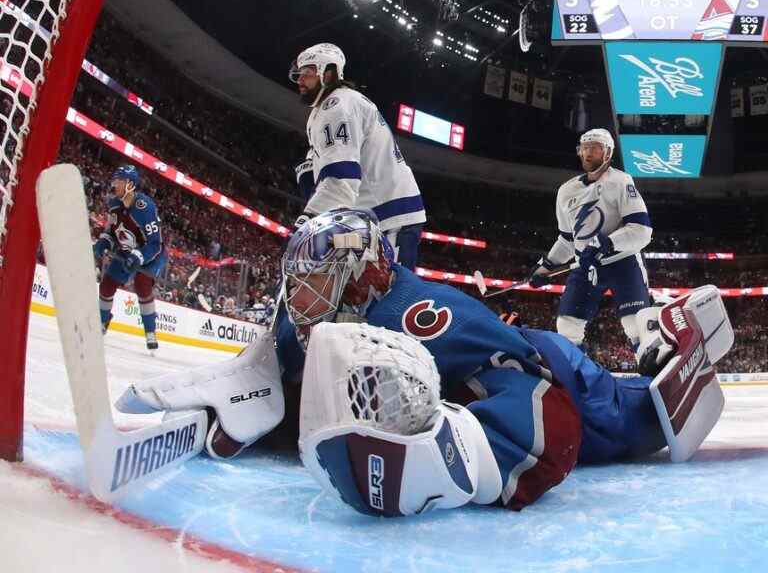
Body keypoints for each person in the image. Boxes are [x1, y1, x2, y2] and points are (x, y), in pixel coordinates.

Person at [117, 209, 732, 517]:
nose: (298, 295)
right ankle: (651, 353)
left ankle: (673, 347)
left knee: (636, 425)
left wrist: (459, 452)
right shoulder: (321, 314)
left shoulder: (419, 312)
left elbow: (549, 415)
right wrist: (243, 393)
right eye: (296, 278)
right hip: (510, 359)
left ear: (359, 273)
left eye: (316, 276)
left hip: (545, 366)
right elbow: (282, 369)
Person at [289, 43, 426, 269]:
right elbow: (321, 168)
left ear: (329, 73)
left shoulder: (337, 106)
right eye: (300, 73)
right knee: (350, 290)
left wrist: (310, 219)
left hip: (388, 216)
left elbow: (342, 176)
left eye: (308, 72)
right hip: (366, 218)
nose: (301, 80)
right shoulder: (326, 109)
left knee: (387, 294)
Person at [529, 128, 652, 359]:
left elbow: (642, 231)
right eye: (584, 148)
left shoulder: (621, 181)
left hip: (623, 262)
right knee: (567, 327)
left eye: (594, 148)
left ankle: (653, 376)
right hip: (586, 266)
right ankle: (579, 380)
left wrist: (606, 243)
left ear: (607, 153)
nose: (587, 154)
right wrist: (545, 268)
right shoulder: (566, 191)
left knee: (637, 325)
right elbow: (567, 240)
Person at [93, 164, 167, 350]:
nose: (114, 184)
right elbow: (112, 231)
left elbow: (155, 243)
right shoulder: (114, 204)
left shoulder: (145, 206)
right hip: (126, 251)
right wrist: (104, 242)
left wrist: (138, 256)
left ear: (130, 184)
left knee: (142, 285)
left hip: (151, 254)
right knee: (107, 285)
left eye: (119, 181)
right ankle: (102, 321)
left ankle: (150, 331)